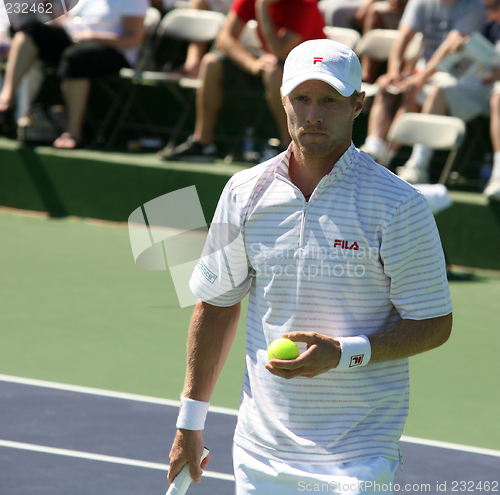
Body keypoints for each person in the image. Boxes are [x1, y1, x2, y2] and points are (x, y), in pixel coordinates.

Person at [168, 39, 453, 494]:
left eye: (330, 100)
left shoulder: (400, 206)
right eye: (301, 98)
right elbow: (216, 306)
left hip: (358, 455)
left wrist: (344, 353)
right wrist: (189, 423)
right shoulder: (243, 192)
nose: (314, 114)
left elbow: (434, 323)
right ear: (284, 101)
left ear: (358, 104)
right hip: (259, 450)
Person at [158, 0, 326, 162]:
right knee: (211, 63)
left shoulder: (306, 4)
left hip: (310, 72)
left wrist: (261, 6)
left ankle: (290, 148)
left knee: (273, 72)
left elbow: (279, 50)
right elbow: (224, 38)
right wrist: (252, 65)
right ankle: (203, 143)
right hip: (272, 64)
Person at [0, 0, 148, 149]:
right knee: (30, 31)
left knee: (74, 58)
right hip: (77, 42)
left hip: (115, 52)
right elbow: (69, 23)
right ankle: (6, 97)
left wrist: (93, 36)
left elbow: (134, 38)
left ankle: (73, 132)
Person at [360, 0, 486, 164]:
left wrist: (420, 79)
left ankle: (385, 158)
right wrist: (394, 73)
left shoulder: (474, 6)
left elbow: (451, 45)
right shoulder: (420, 2)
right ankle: (373, 149)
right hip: (423, 73)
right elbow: (403, 38)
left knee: (413, 92)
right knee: (387, 85)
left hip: (456, 76)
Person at [394, 4, 500, 199]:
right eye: (489, 6)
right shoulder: (488, 23)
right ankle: (418, 166)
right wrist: (461, 50)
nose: (490, 11)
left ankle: (499, 176)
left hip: (495, 91)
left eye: (495, 6)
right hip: (477, 86)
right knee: (439, 90)